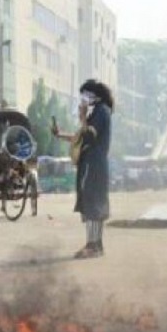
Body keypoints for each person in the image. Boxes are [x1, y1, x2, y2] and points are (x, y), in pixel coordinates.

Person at [53, 79, 113, 258]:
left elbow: (90, 135)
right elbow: (79, 137)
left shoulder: (101, 111)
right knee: (94, 203)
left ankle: (93, 246)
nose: (83, 99)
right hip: (92, 163)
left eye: (85, 95)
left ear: (93, 95)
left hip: (93, 163)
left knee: (92, 203)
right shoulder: (98, 112)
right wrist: (59, 135)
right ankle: (96, 245)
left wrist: (82, 117)